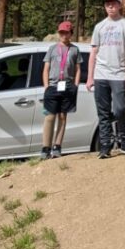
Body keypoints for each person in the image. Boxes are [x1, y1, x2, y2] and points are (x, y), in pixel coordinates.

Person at [87, 0, 125, 159]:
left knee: (120, 108)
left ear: (119, 5)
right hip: (100, 74)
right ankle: (105, 146)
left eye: (113, 3)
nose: (110, 6)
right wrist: (90, 77)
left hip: (118, 74)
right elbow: (93, 52)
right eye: (107, 3)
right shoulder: (99, 27)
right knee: (103, 112)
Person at [40, 20, 81, 159]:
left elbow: (78, 68)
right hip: (53, 86)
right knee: (50, 116)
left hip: (67, 86)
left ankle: (57, 146)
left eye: (66, 32)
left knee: (63, 117)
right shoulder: (52, 48)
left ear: (71, 34)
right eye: (61, 32)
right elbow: (46, 68)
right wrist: (46, 86)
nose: (64, 35)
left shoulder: (75, 49)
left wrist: (75, 85)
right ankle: (46, 147)